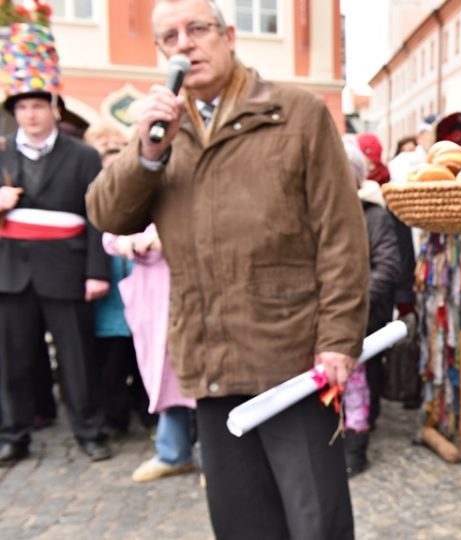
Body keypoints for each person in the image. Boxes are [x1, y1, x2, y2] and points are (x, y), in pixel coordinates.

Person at [85, 1, 369, 537]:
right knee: (241, 523)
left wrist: (338, 338)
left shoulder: (297, 113)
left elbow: (342, 236)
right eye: (170, 37)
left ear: (229, 35)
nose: (185, 44)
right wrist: (145, 155)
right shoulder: (164, 131)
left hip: (293, 360)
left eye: (197, 29)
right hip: (209, 356)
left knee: (317, 521)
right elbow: (108, 213)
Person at [0, 87, 113, 463]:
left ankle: (90, 431)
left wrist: (97, 272)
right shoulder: (2, 152)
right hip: (12, 271)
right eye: (21, 108)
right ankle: (14, 433)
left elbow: (99, 216)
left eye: (37, 106)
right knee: (11, 361)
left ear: (55, 111)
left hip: (67, 268)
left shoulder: (82, 155)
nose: (30, 115)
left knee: (78, 359)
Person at [104, 223, 198, 482]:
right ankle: (173, 452)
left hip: (195, 284)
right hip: (150, 295)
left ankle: (219, 460)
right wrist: (127, 241)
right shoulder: (136, 188)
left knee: (205, 370)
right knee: (160, 372)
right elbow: (110, 228)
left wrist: (169, 235)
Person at [84, 125, 152, 439]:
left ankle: (148, 411)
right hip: (109, 295)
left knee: (143, 359)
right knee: (110, 361)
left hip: (143, 289)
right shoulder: (93, 201)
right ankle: (115, 416)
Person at [341, 142, 401, 476]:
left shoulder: (374, 215)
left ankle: (355, 450)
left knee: (360, 384)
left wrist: (349, 301)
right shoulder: (319, 210)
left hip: (364, 317)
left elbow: (388, 266)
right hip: (324, 320)